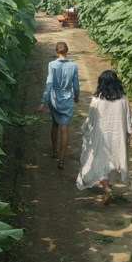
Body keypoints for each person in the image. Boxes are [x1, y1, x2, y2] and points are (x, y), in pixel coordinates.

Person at [76, 70, 132, 205]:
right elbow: (130, 119)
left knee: (100, 161)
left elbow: (91, 119)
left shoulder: (97, 99)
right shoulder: (123, 100)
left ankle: (106, 188)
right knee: (114, 163)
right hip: (118, 137)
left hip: (102, 138)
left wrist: (87, 132)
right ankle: (109, 188)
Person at [37, 42, 80, 170]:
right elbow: (76, 85)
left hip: (54, 99)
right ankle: (61, 160)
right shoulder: (73, 66)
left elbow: (49, 83)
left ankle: (54, 151)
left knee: (55, 124)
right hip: (67, 99)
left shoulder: (52, 65)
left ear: (57, 52)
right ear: (67, 51)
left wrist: (43, 102)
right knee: (65, 130)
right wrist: (76, 97)